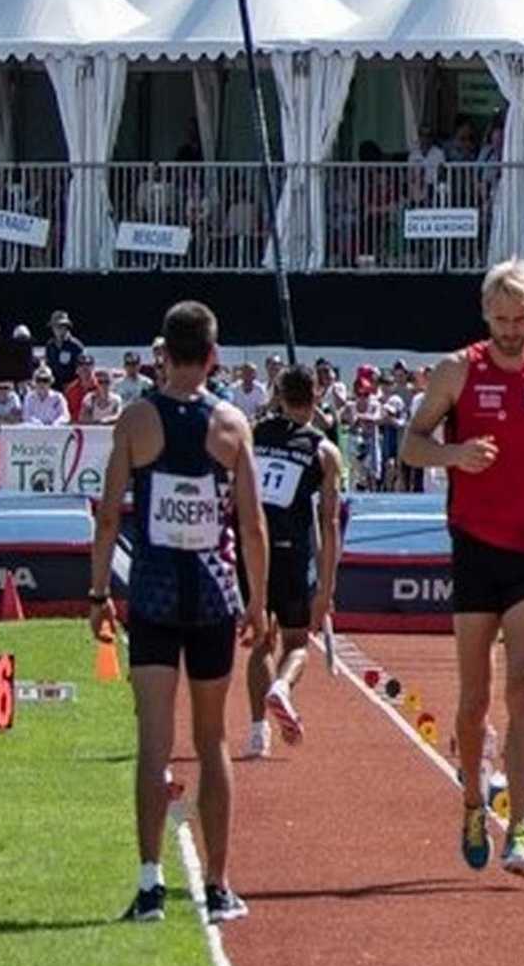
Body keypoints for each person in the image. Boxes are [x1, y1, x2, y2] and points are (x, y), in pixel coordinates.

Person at [90, 300, 266, 924]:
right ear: (214, 356)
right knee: (212, 739)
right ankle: (217, 888)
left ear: (163, 353)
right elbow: (251, 524)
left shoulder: (136, 420)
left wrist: (95, 592)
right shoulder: (230, 426)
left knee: (154, 743)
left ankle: (149, 885)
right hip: (214, 594)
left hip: (157, 595)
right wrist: (259, 604)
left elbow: (110, 513)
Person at [395, 259, 524, 872]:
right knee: (474, 700)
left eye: (519, 320)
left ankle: (518, 829)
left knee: (523, 692)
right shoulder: (457, 370)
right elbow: (410, 445)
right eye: (499, 320)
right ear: (485, 315)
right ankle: (473, 800)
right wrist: (455, 454)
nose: (509, 331)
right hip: (475, 546)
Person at [238, 363, 348, 762]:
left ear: (279, 396)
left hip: (252, 549)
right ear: (315, 396)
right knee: (297, 642)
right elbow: (331, 522)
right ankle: (282, 687)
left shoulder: (251, 434)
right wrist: (327, 587)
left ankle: (256, 734)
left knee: (261, 641)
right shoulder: (324, 451)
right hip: (292, 552)